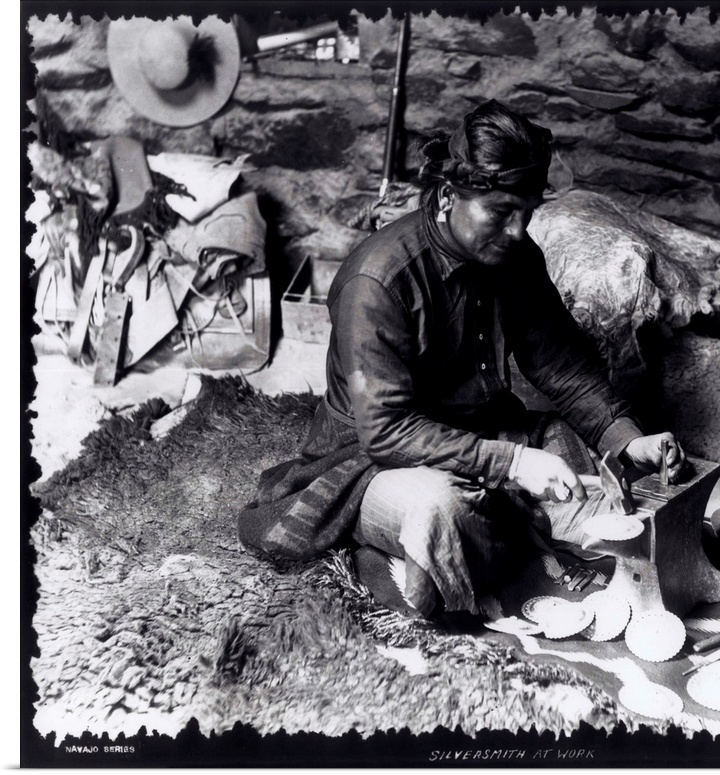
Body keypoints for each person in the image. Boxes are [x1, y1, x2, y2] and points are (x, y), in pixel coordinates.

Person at [238, 100, 686, 617]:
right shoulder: (377, 282)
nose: (519, 231)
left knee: (594, 471)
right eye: (500, 212)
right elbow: (385, 431)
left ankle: (490, 538)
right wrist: (514, 463)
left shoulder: (515, 257)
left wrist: (630, 442)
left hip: (483, 431)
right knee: (443, 511)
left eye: (527, 213)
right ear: (449, 196)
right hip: (376, 459)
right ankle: (411, 555)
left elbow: (561, 367)